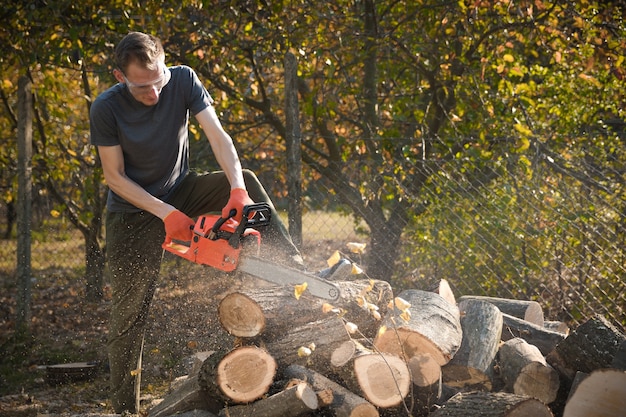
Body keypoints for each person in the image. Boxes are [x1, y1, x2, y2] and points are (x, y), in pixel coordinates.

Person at [89, 31, 302, 414]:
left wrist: (236, 190)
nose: (153, 93)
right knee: (129, 314)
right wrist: (166, 214)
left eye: (158, 81)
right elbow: (115, 177)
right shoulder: (105, 108)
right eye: (141, 87)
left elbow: (219, 138)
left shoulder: (183, 78)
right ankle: (124, 409)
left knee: (248, 181)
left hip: (182, 189)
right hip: (131, 213)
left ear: (165, 64)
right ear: (120, 77)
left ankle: (295, 273)